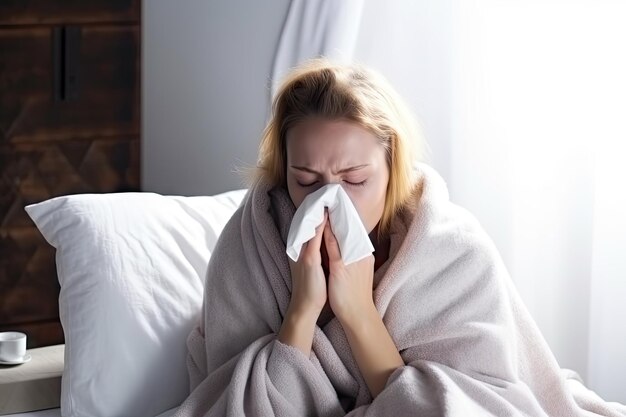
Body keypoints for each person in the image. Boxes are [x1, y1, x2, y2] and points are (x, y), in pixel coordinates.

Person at [174, 59, 626, 416]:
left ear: (392, 171)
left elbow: (473, 406)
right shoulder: (249, 248)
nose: (330, 202)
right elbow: (232, 404)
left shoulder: (452, 251)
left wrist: (359, 314)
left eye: (354, 179)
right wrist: (301, 313)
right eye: (307, 181)